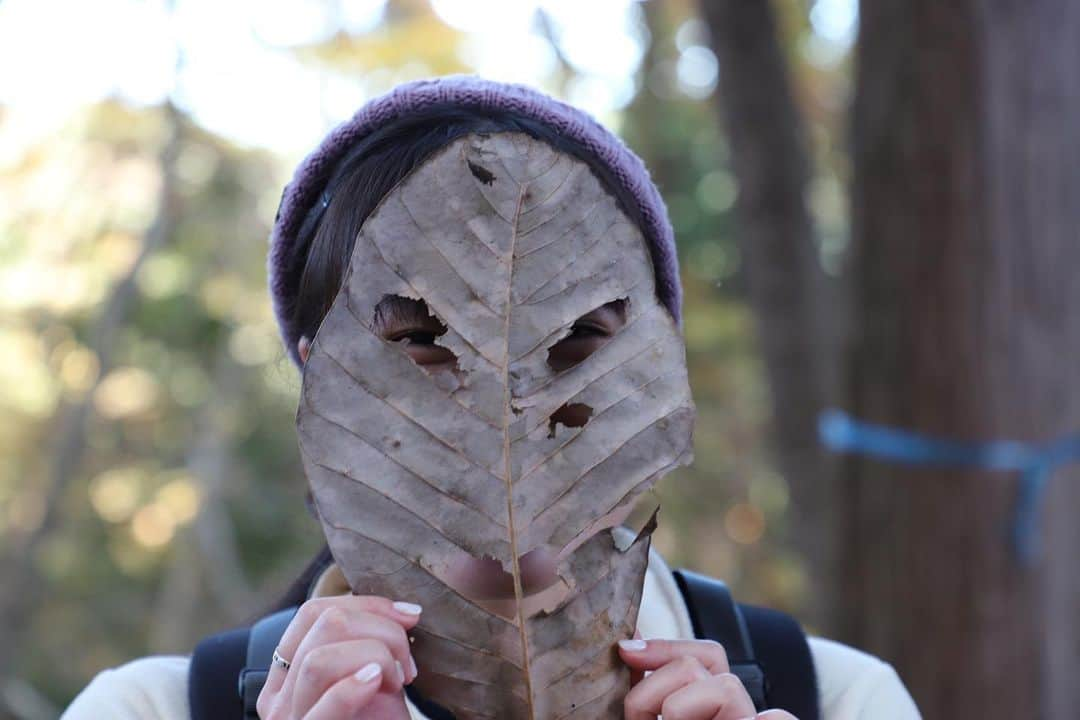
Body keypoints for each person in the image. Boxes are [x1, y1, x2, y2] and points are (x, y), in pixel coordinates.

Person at [62, 75, 921, 720]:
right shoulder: (149, 708)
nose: (504, 421)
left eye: (579, 346)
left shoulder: (841, 699)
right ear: (316, 379)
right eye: (418, 347)